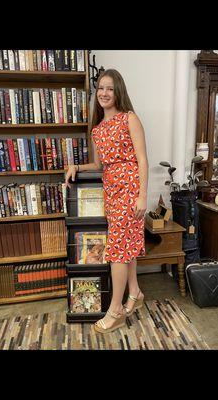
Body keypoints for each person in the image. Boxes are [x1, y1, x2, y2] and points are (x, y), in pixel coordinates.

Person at [65, 69, 148, 333]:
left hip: (130, 189)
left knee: (118, 251)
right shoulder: (98, 130)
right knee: (127, 246)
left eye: (110, 88)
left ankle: (116, 312)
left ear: (118, 91)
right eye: (100, 88)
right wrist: (76, 166)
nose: (104, 93)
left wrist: (143, 195)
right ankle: (134, 293)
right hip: (111, 191)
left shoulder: (129, 118)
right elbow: (100, 165)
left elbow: (142, 159)